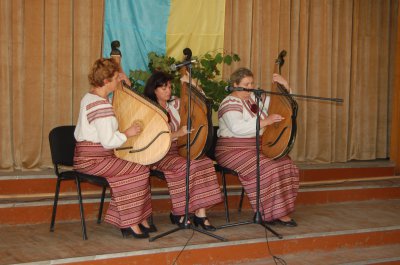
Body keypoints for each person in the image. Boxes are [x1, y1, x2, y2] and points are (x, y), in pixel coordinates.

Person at [73, 58, 156, 239]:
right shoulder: (100, 105)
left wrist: (125, 81)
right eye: (116, 77)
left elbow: (119, 101)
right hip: (93, 160)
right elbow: (109, 142)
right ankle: (131, 221)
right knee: (140, 171)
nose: (120, 79)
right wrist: (128, 132)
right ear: (106, 82)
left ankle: (134, 219)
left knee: (136, 168)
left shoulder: (93, 96)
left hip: (93, 156)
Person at [216, 67, 299, 227]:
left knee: (286, 163)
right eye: (246, 83)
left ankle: (279, 211)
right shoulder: (229, 102)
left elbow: (281, 104)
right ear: (235, 84)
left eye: (252, 82)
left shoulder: (255, 98)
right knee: (268, 167)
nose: (250, 86)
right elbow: (237, 127)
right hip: (232, 150)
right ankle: (269, 213)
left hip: (257, 148)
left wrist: (285, 86)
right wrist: (265, 122)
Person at [143, 71, 223, 231]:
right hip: (160, 154)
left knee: (204, 161)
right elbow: (152, 139)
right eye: (164, 87)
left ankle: (200, 213)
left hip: (181, 149)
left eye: (170, 87)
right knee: (188, 166)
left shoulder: (176, 104)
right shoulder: (149, 110)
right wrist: (177, 134)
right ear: (154, 89)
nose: (168, 91)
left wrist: (190, 82)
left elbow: (201, 99)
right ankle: (179, 212)